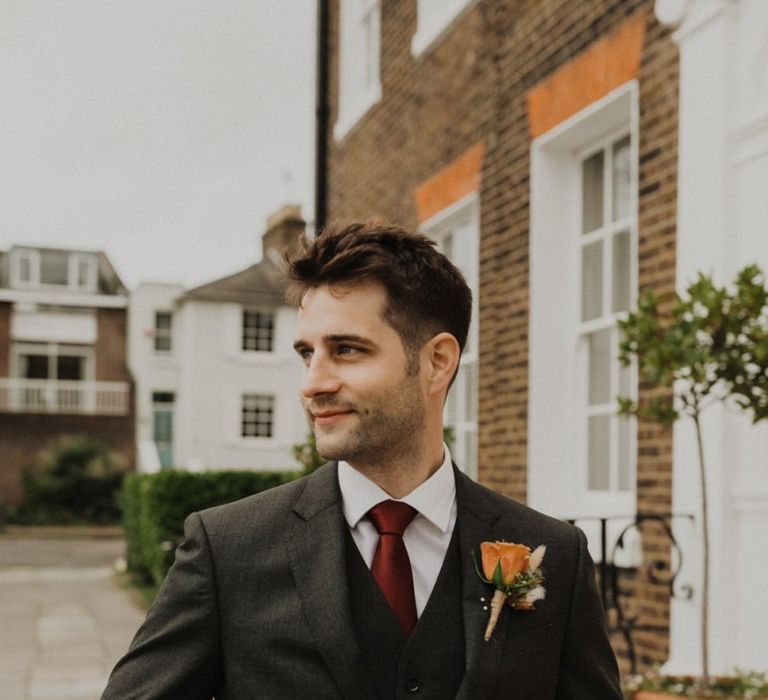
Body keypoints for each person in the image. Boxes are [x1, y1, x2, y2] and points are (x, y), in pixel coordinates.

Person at [102, 222, 622, 699]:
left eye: (347, 350)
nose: (313, 383)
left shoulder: (556, 553)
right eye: (307, 354)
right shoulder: (226, 551)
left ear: (437, 361)